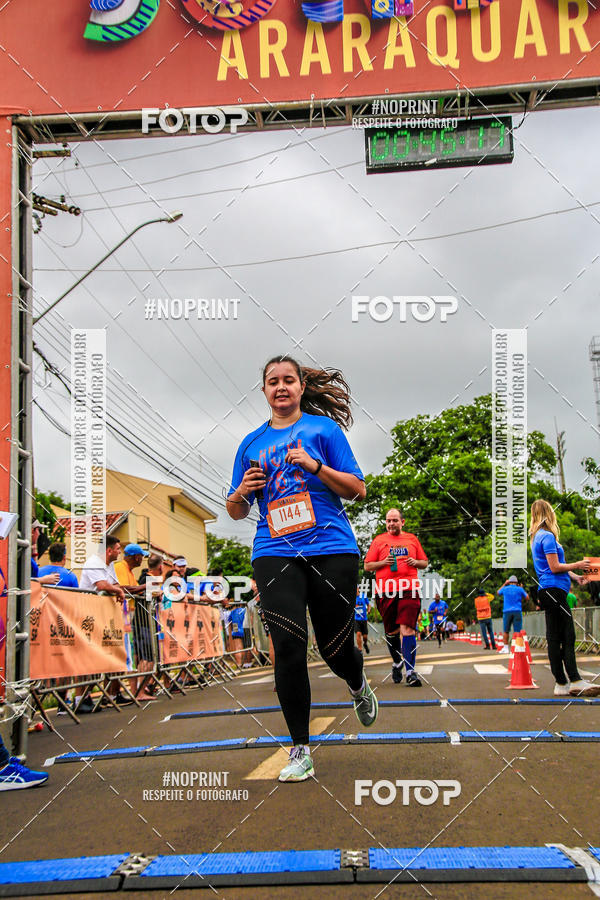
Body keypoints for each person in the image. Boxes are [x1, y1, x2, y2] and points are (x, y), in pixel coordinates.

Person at [226, 355, 377, 782]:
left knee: (333, 649)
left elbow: (358, 489)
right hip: (274, 551)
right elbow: (236, 511)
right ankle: (299, 750)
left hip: (331, 548)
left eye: (288, 380)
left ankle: (356, 681)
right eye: (272, 381)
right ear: (264, 391)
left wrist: (315, 467)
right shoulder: (250, 444)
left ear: (300, 387)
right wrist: (241, 491)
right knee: (289, 646)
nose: (281, 387)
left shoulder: (323, 430)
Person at [529, 499, 599, 697]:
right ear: (548, 513)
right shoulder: (548, 536)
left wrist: (576, 577)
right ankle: (575, 680)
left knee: (554, 637)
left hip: (547, 590)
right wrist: (577, 564)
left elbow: (556, 566)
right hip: (555, 590)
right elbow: (555, 567)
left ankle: (560, 683)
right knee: (568, 635)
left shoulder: (536, 537)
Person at [364, 508, 428, 686]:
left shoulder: (412, 539)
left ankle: (411, 672)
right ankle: (397, 662)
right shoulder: (379, 541)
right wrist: (384, 563)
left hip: (409, 588)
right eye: (388, 521)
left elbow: (424, 562)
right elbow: (368, 566)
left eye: (394, 520)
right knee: (392, 633)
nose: (391, 523)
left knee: (408, 629)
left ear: (402, 522)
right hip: (385, 591)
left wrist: (416, 563)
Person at [79, 536, 126, 711]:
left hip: (102, 616)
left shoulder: (109, 565)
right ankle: (80, 699)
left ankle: (100, 695)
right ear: (109, 550)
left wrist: (118, 589)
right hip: (87, 615)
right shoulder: (93, 562)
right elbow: (101, 585)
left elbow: (114, 583)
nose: (119, 552)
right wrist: (117, 590)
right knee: (88, 658)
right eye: (118, 548)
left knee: (101, 657)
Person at [497, 575, 528, 654]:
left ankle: (506, 648)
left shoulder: (505, 588)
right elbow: (527, 597)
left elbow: (498, 592)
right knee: (518, 631)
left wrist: (504, 584)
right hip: (517, 611)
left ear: (509, 582)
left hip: (507, 611)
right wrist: (521, 588)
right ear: (516, 582)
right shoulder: (519, 589)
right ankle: (518, 648)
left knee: (506, 630)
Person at [354, 586, 371, 655]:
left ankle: (365, 644)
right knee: (358, 634)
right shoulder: (352, 598)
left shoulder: (363, 596)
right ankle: (360, 649)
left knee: (365, 637)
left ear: (358, 589)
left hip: (364, 619)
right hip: (356, 619)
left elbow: (368, 604)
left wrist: (369, 610)